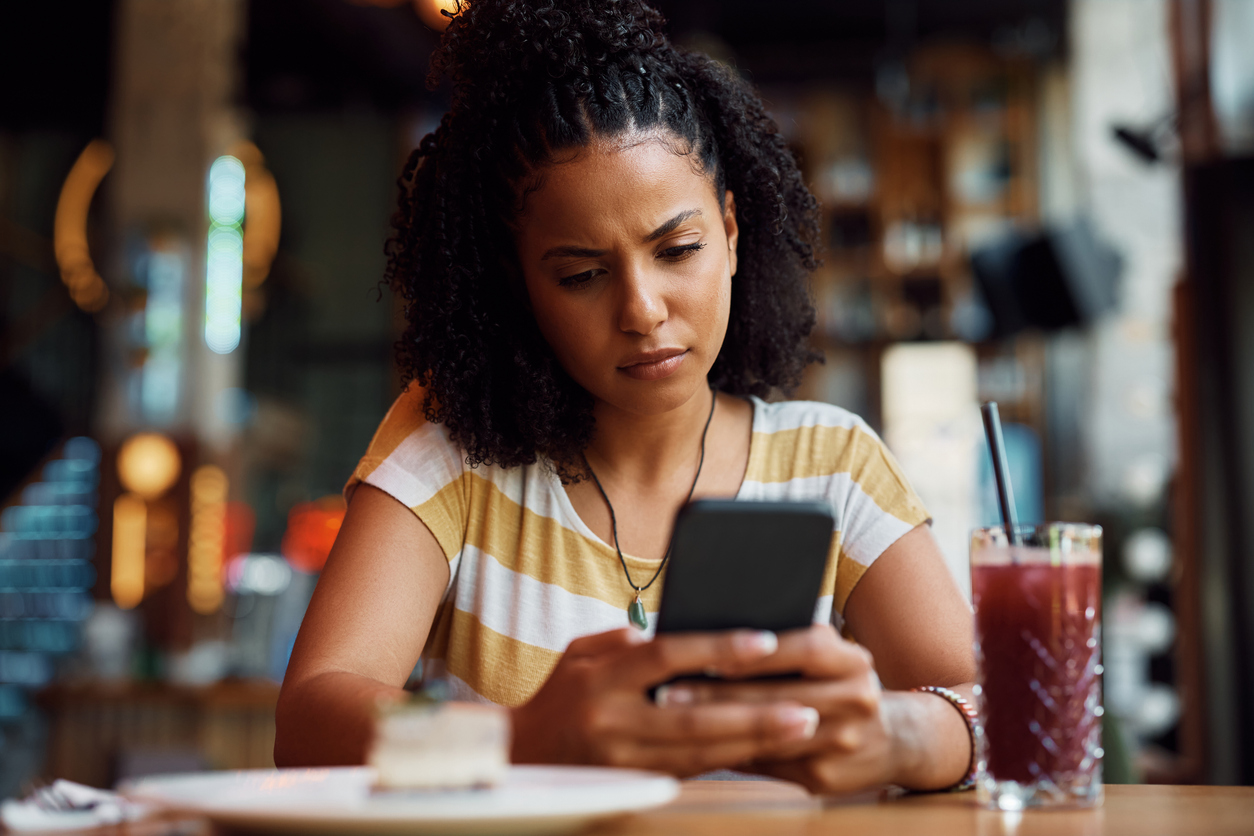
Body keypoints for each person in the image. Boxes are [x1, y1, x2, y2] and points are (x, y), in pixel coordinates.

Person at [274, 0, 976, 793]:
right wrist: (525, 737)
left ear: (734, 233)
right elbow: (309, 718)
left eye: (678, 250)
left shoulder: (833, 463)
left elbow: (982, 704)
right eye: (581, 275)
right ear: (519, 285)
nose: (642, 310)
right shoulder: (453, 457)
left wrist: (902, 735)